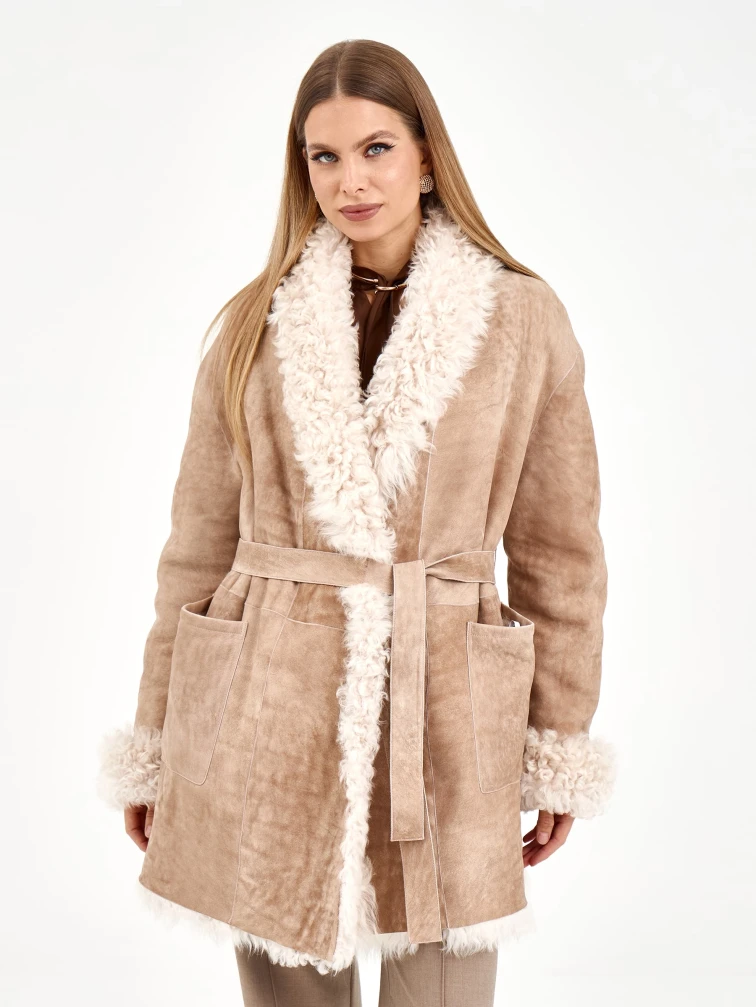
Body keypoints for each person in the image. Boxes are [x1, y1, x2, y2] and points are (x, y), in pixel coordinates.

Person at [97, 38, 617, 1007]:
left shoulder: (520, 321)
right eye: (324, 156)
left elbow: (562, 557)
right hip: (267, 712)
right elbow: (195, 550)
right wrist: (158, 742)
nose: (352, 181)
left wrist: (557, 743)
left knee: (443, 978)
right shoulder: (253, 325)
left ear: (426, 156)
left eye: (377, 148)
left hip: (446, 708)